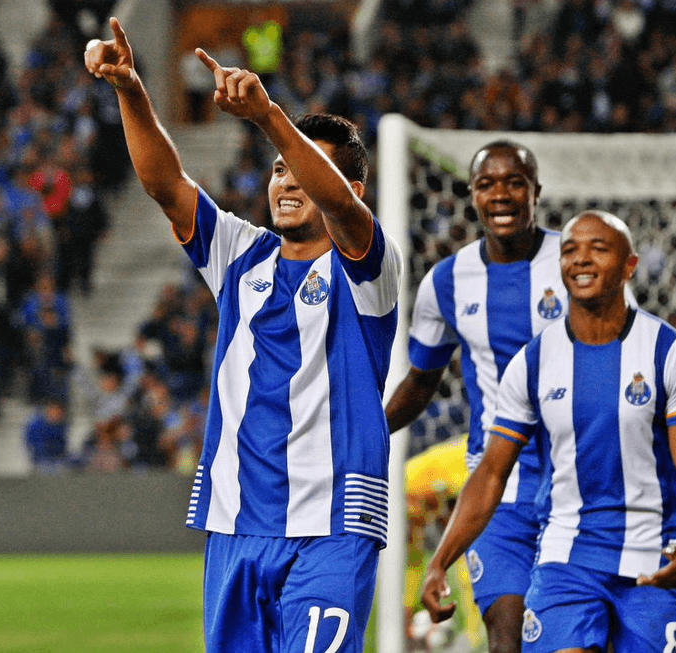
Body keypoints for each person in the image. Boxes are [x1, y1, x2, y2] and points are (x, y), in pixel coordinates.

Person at [85, 17, 402, 653]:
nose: (286, 182)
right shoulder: (241, 256)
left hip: (332, 525)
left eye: (302, 171)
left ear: (352, 186)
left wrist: (268, 117)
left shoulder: (369, 267)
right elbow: (165, 185)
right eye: (279, 170)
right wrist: (130, 90)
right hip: (234, 522)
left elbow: (339, 209)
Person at [421, 211, 676, 652]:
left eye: (598, 248)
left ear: (629, 266)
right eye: (570, 250)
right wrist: (441, 561)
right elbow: (491, 473)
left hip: (653, 557)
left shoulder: (672, 353)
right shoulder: (533, 362)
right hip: (567, 559)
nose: (581, 259)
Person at [386, 142, 632, 652]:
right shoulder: (446, 282)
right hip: (496, 486)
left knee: (580, 641)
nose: (501, 195)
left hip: (579, 484)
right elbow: (420, 382)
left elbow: (628, 358)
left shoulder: (581, 259)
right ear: (472, 196)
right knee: (506, 635)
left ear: (536, 192)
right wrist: (362, 431)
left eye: (514, 182)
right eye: (487, 184)